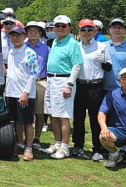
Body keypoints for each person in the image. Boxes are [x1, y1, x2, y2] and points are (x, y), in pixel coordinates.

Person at [42, 15, 83, 159]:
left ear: (69, 27)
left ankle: (65, 148)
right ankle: (57, 143)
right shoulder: (54, 42)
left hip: (64, 81)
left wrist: (69, 85)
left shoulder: (72, 43)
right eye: (57, 26)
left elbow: (77, 65)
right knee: (53, 114)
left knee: (64, 116)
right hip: (51, 80)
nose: (60, 28)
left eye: (63, 26)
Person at [72, 19, 112, 160]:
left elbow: (109, 68)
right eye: (84, 29)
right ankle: (78, 146)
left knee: (95, 119)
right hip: (80, 85)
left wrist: (102, 61)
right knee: (78, 117)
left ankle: (98, 148)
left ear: (95, 31)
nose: (87, 32)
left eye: (90, 29)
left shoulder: (102, 46)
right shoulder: (76, 46)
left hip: (95, 86)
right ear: (79, 31)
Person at [4, 26, 39, 161]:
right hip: (11, 92)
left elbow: (33, 74)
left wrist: (25, 93)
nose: (15, 38)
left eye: (18, 35)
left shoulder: (30, 53)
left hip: (25, 93)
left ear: (24, 37)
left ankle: (29, 148)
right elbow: (9, 68)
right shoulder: (10, 51)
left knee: (27, 122)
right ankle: (19, 143)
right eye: (13, 35)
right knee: (16, 121)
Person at [24, 21, 50, 150]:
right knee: (25, 112)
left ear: (40, 34)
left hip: (40, 81)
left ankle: (37, 138)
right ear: (26, 33)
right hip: (25, 82)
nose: (33, 33)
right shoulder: (22, 47)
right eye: (30, 31)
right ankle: (24, 138)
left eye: (36, 31)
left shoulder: (46, 49)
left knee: (39, 113)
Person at [102, 18, 126, 93]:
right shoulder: (102, 46)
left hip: (122, 90)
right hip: (102, 89)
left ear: (125, 30)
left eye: (120, 27)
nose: (117, 30)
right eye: (114, 27)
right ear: (109, 29)